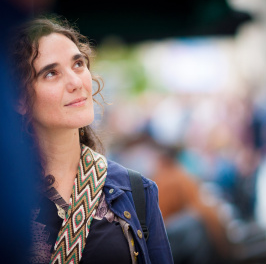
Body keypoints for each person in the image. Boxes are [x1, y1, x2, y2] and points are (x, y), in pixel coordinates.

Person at [10, 16, 173, 264]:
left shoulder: (137, 191)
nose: (76, 82)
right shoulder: (9, 195)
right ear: (19, 99)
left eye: (78, 64)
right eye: (51, 73)